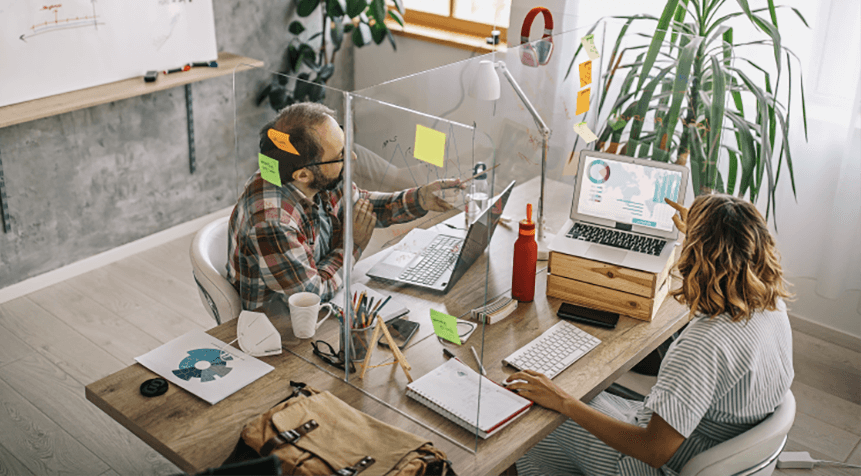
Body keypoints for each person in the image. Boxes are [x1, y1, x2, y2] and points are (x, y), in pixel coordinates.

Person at [508, 193, 794, 476]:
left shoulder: (704, 346)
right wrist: (698, 230)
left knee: (538, 415)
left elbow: (654, 451)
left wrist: (563, 402)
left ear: (697, 257)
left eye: (688, 245)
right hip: (707, 441)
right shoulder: (770, 305)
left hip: (654, 462)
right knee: (576, 393)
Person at [227, 102, 460, 310]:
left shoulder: (313, 176)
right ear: (304, 175)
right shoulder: (272, 221)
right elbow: (312, 296)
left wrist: (421, 198)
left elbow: (362, 207)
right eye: (341, 155)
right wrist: (352, 244)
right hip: (279, 323)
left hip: (323, 300)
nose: (353, 157)